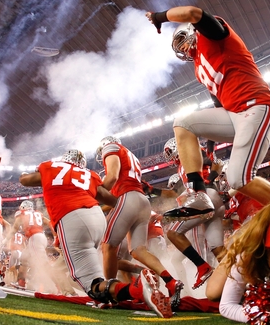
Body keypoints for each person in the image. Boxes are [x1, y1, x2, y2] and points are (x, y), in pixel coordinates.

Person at [146, 6, 270, 221]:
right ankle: (198, 195)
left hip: (256, 106)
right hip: (234, 113)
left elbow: (193, 12)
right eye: (178, 44)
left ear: (194, 31)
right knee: (183, 122)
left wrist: (159, 17)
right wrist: (210, 141)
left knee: (238, 179)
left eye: (183, 38)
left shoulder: (214, 35)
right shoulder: (199, 66)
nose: (182, 46)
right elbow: (217, 100)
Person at [19, 149, 173, 318]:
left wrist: (26, 173)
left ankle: (139, 287)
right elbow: (111, 200)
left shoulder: (51, 166)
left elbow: (25, 180)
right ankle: (125, 293)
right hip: (97, 218)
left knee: (93, 287)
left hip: (71, 218)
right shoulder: (89, 174)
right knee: (98, 281)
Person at [96, 135, 184, 308]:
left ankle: (110, 294)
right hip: (142, 201)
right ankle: (171, 282)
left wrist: (92, 194)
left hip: (127, 197)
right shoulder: (131, 157)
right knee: (138, 250)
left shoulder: (111, 148)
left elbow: (112, 178)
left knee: (108, 246)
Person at [161, 137, 225, 292]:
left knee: (173, 233)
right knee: (219, 250)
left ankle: (203, 268)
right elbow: (173, 192)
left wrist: (208, 182)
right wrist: (150, 191)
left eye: (171, 153)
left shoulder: (192, 153)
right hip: (214, 201)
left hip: (206, 197)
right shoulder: (184, 165)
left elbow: (217, 163)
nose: (172, 158)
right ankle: (242, 284)